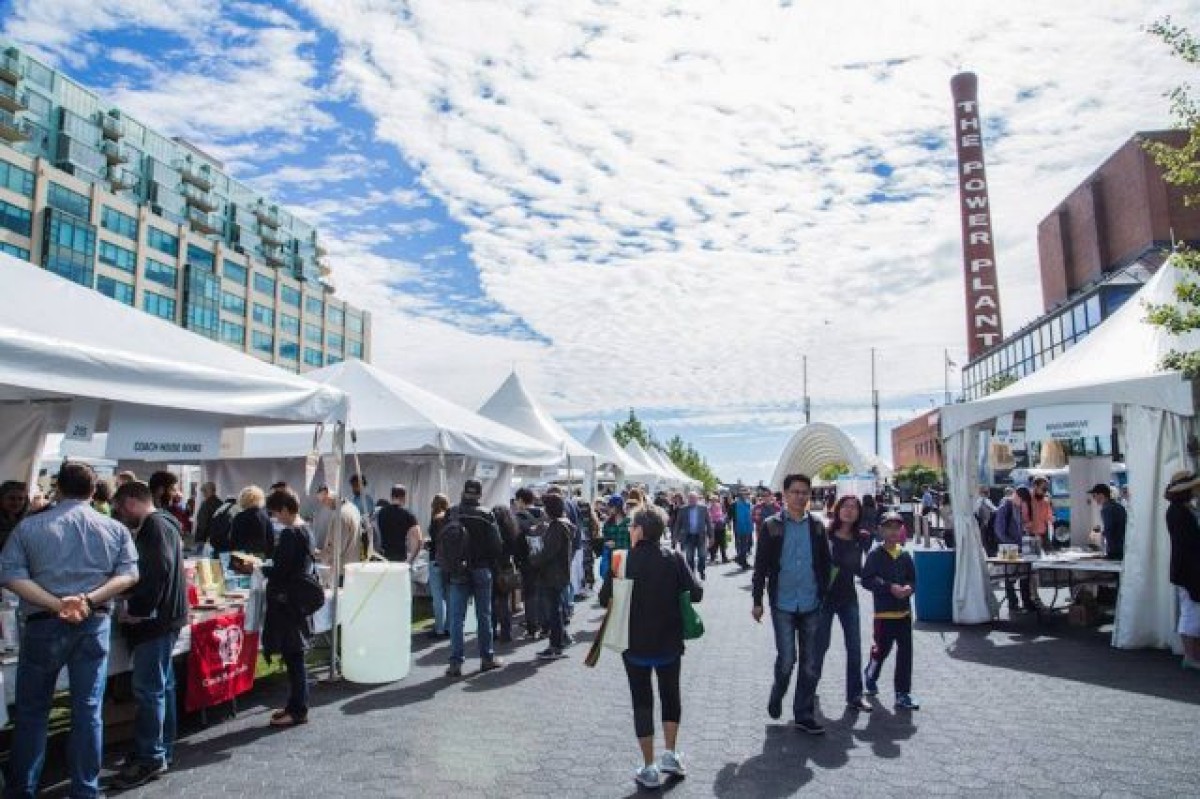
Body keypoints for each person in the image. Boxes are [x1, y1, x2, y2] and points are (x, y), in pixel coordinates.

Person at [0, 462, 139, 799]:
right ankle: (85, 790)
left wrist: (56, 604)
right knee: (88, 710)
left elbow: (11, 575)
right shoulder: (114, 529)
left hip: (44, 624)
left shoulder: (29, 528)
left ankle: (22, 790)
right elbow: (129, 575)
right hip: (92, 622)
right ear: (93, 492)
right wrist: (87, 601)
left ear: (58, 488)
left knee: (33, 712)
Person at [600, 508, 703, 789]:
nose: (631, 530)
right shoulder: (674, 558)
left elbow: (602, 599)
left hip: (633, 645)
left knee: (641, 701)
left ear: (640, 531)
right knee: (671, 695)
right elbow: (697, 593)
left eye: (632, 526)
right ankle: (670, 754)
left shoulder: (621, 560)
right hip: (669, 642)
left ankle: (648, 767)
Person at [110, 480, 188, 788]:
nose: (120, 515)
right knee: (161, 687)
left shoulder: (155, 525)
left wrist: (138, 608)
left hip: (156, 621)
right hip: (165, 618)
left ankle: (151, 756)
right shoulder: (165, 522)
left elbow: (157, 571)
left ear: (130, 503)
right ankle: (160, 749)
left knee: (149, 690)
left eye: (120, 508)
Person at [751, 473, 831, 735]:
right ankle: (778, 691)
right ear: (784, 495)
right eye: (795, 492)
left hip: (811, 603)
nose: (800, 496)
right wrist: (757, 600)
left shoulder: (817, 526)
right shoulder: (771, 526)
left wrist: (824, 595)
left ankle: (803, 713)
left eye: (804, 492)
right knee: (787, 661)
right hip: (783, 603)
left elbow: (825, 564)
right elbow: (761, 565)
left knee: (810, 663)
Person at [261, 488, 316, 727]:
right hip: (297, 600)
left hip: (288, 602)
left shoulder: (291, 534)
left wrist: (261, 568)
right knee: (295, 657)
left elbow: (281, 570)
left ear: (285, 509)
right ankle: (295, 705)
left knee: (294, 658)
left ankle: (298, 710)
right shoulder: (306, 530)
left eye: (275, 513)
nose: (275, 519)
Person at [815, 495, 873, 713]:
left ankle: (855, 695)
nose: (849, 511)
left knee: (854, 647)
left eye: (854, 508)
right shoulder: (825, 535)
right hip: (825, 599)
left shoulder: (862, 538)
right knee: (820, 645)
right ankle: (809, 688)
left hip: (848, 597)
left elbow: (864, 569)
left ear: (859, 513)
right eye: (845, 506)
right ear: (837, 510)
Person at [445, 480, 505, 677]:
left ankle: (455, 663)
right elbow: (497, 546)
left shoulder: (452, 512)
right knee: (484, 617)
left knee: (456, 619)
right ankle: (487, 658)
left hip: (457, 571)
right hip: (481, 569)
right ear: (480, 494)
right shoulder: (487, 515)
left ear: (463, 492)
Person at [862, 511, 920, 710]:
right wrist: (889, 587)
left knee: (905, 654)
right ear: (880, 530)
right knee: (881, 650)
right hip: (884, 614)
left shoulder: (904, 555)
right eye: (889, 527)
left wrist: (909, 589)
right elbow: (867, 580)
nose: (894, 531)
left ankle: (902, 693)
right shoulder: (875, 555)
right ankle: (870, 674)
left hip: (904, 614)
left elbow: (913, 579)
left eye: (897, 527)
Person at [529, 493, 574, 660]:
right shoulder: (561, 524)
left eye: (544, 508)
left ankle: (556, 645)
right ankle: (562, 638)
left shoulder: (557, 526)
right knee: (557, 609)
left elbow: (548, 552)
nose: (543, 511)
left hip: (553, 574)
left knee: (553, 611)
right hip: (557, 573)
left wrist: (533, 559)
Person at [1164, 471, 1200, 670]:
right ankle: (1190, 655)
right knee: (1191, 612)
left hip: (1187, 567)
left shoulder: (1181, 510)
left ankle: (1193, 655)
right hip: (1188, 568)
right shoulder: (1180, 512)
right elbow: (1189, 544)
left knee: (1192, 612)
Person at [318, 491, 365, 579]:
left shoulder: (340, 515)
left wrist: (318, 554)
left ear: (330, 496)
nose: (324, 504)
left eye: (324, 500)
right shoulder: (353, 508)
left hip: (341, 571)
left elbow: (336, 549)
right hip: (352, 567)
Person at [491, 503, 521, 644]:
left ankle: (491, 631)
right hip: (506, 567)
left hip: (492, 567)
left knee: (490, 602)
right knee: (504, 601)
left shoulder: (491, 530)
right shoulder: (512, 531)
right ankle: (506, 632)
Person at [425, 494, 451, 638]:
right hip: (449, 562)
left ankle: (439, 628)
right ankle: (448, 627)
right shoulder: (450, 518)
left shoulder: (436, 520)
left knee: (437, 596)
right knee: (448, 595)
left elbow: (434, 541)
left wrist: (428, 543)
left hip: (436, 560)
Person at [377, 484, 422, 564]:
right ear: (404, 497)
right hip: (400, 558)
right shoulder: (408, 515)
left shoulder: (381, 513)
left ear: (391, 496)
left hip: (383, 557)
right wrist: (410, 560)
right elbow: (419, 540)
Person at [672, 491, 712, 580]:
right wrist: (675, 537)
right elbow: (678, 524)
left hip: (700, 536)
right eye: (690, 499)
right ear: (687, 500)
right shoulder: (683, 509)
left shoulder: (703, 508)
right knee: (689, 557)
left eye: (694, 499)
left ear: (697, 499)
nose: (692, 501)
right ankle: (691, 575)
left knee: (702, 556)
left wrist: (711, 536)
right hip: (688, 536)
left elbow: (709, 523)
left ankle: (701, 569)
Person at [229, 485, 275, 557]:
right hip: (261, 555)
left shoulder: (239, 517)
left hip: (243, 556)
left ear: (243, 499)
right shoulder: (265, 517)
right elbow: (270, 539)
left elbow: (233, 540)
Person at [1088, 483, 1127, 560]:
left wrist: (1104, 549)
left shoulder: (1107, 509)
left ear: (1101, 495)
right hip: (1123, 548)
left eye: (1094, 496)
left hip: (1114, 551)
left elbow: (1109, 530)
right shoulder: (1119, 506)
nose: (1094, 499)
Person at [0, 479, 30, 551]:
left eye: (20, 499)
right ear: (1, 499)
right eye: (11, 498)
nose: (16, 503)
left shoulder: (29, 521)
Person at [193, 481, 222, 549]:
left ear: (208, 491)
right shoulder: (221, 503)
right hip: (216, 539)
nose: (203, 494)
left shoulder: (206, 504)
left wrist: (200, 540)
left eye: (204, 491)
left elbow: (202, 524)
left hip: (205, 539)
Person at [731, 488, 755, 567]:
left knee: (745, 545)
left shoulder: (747, 503)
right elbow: (741, 518)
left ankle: (740, 559)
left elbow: (749, 516)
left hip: (747, 527)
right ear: (741, 495)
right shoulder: (739, 504)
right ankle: (742, 561)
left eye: (748, 494)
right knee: (743, 546)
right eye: (746, 494)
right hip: (742, 528)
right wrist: (745, 529)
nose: (748, 495)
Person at [707, 494, 728, 565]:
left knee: (722, 543)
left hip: (721, 526)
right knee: (714, 543)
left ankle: (724, 558)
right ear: (710, 501)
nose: (714, 501)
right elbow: (709, 517)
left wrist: (723, 520)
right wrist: (714, 520)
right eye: (712, 500)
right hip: (713, 527)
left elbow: (724, 514)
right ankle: (712, 558)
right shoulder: (709, 508)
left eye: (715, 500)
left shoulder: (720, 506)